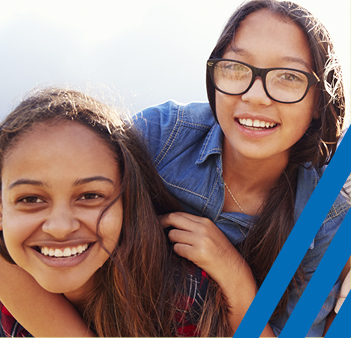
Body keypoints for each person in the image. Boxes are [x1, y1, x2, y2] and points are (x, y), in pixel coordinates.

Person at [133, 0, 350, 336]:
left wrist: (234, 277)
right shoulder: (160, 136)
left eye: (288, 77)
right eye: (236, 68)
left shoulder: (327, 220)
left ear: (319, 103)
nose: (256, 96)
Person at [0, 87, 234, 337]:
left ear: (127, 202)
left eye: (90, 196)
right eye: (30, 199)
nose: (60, 227)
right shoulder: (9, 295)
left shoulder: (182, 297)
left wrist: (236, 278)